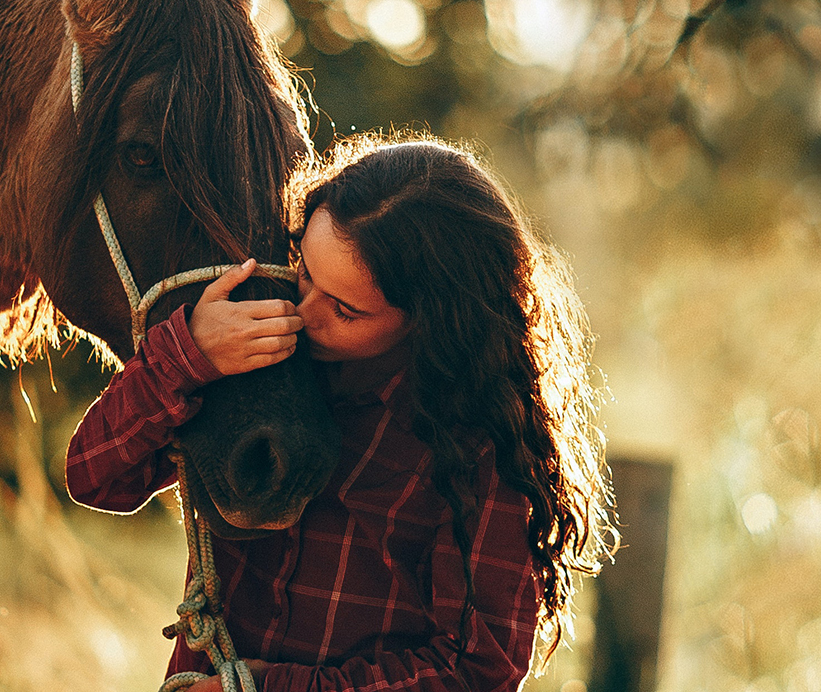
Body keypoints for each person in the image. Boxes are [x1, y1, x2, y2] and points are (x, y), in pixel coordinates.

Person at [65, 135, 615, 692]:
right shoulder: (255, 364)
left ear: (431, 318)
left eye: (345, 310)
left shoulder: (482, 442)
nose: (303, 316)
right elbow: (98, 479)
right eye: (305, 271)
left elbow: (478, 672)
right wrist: (187, 356)